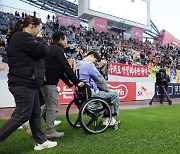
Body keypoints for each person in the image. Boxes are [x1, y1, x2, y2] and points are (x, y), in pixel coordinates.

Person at [0, 16, 57, 151]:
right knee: (22, 114)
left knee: (34, 113)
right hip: (23, 83)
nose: (40, 31)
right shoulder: (22, 37)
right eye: (40, 28)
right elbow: (44, 51)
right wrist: (40, 38)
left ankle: (41, 141)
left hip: (28, 83)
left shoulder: (23, 38)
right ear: (32, 25)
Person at [40, 31, 84, 139]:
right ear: (60, 40)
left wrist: (67, 82)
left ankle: (28, 121)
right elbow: (65, 67)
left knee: (46, 105)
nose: (66, 42)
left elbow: (59, 70)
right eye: (65, 39)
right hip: (49, 82)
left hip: (45, 81)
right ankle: (50, 131)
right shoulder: (58, 50)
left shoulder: (52, 49)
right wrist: (76, 81)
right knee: (52, 106)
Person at [76, 50, 120, 126]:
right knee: (114, 95)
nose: (95, 63)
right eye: (95, 61)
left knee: (106, 94)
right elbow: (100, 79)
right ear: (91, 56)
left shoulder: (78, 64)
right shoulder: (89, 65)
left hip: (81, 93)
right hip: (91, 93)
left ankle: (107, 117)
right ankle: (108, 118)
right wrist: (108, 90)